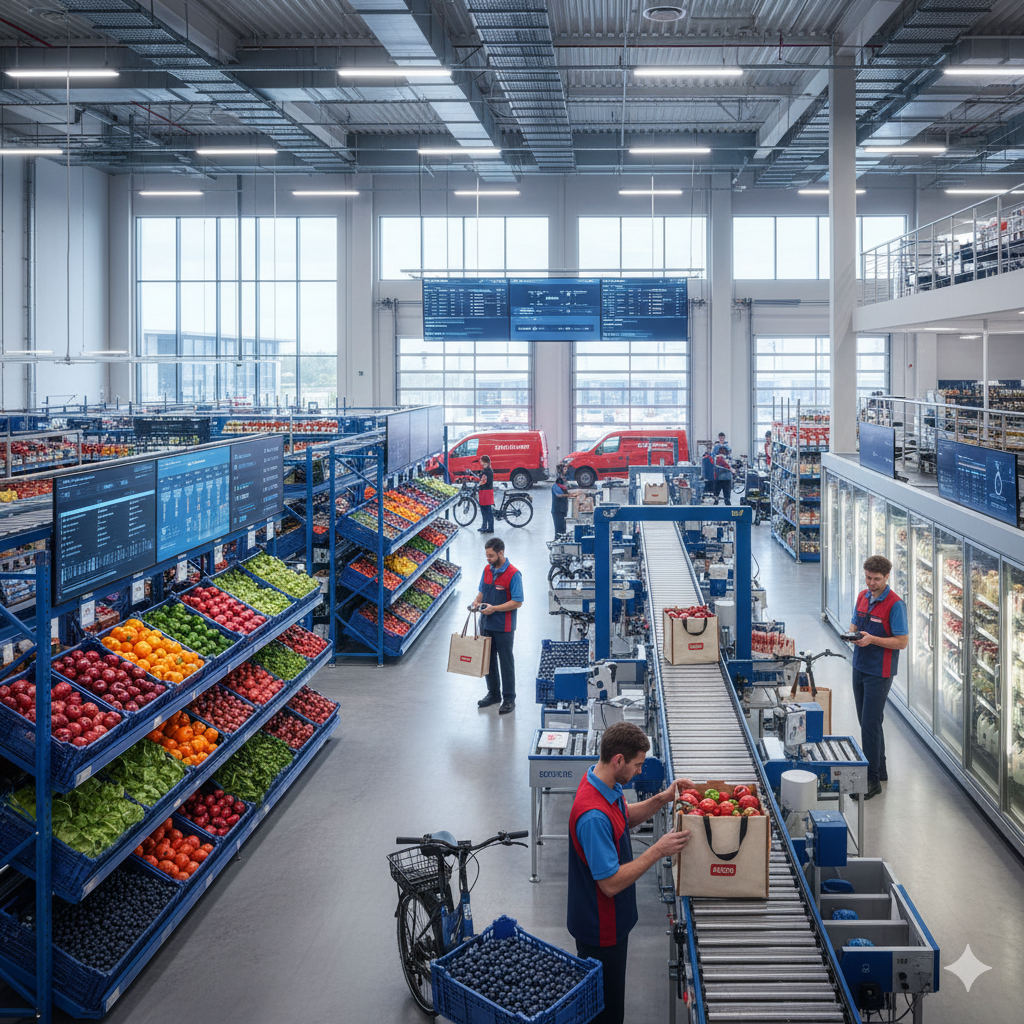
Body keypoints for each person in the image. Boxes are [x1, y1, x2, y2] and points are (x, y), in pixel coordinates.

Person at [567, 723, 693, 1024]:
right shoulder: (592, 817)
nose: (640, 771)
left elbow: (623, 815)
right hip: (600, 929)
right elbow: (610, 884)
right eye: (637, 765)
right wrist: (657, 850)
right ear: (619, 760)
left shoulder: (601, 782)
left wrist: (664, 797)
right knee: (605, 1013)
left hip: (610, 922)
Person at [849, 554, 908, 800]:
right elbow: (854, 625)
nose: (871, 583)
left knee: (870, 724)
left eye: (876, 579)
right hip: (860, 665)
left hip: (879, 671)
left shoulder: (895, 605)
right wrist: (851, 634)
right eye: (868, 577)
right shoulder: (863, 597)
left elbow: (902, 642)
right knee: (867, 723)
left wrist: (872, 639)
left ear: (886, 577)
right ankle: (880, 769)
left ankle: (871, 780)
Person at [473, 537, 523, 714]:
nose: (488, 558)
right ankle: (493, 693)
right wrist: (476, 602)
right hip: (486, 622)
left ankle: (509, 698)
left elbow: (517, 601)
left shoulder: (513, 573)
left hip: (504, 626)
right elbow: (482, 591)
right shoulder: (487, 569)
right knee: (488, 659)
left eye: (491, 555)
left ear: (501, 553)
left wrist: (494, 609)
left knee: (506, 661)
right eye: (486, 555)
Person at [476, 455, 495, 533]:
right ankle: (487, 526)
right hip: (488, 492)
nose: (480, 462)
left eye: (481, 461)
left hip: (485, 492)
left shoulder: (486, 471)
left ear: (484, 462)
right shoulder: (489, 470)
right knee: (487, 510)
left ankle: (487, 527)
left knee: (485, 510)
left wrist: (478, 484)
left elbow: (483, 481)